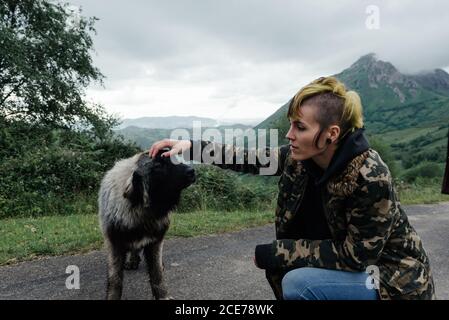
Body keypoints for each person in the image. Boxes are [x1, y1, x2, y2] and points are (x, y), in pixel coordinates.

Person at [149, 76, 435, 300]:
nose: (289, 135)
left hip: (392, 281)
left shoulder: (370, 177)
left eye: (300, 127)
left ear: (330, 134)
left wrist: (283, 251)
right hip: (357, 272)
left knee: (300, 283)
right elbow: (249, 159)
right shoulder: (298, 159)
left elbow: (357, 256)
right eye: (291, 125)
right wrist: (191, 146)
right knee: (292, 275)